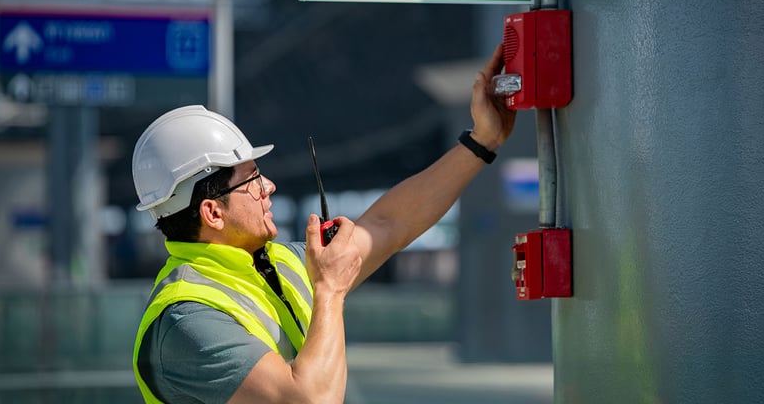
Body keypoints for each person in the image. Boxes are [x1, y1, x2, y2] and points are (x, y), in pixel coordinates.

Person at [130, 43, 515, 404]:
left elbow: (389, 223)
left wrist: (482, 142)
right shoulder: (186, 320)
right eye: (251, 180)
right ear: (212, 213)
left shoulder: (283, 264)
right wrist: (329, 290)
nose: (269, 186)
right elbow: (310, 399)